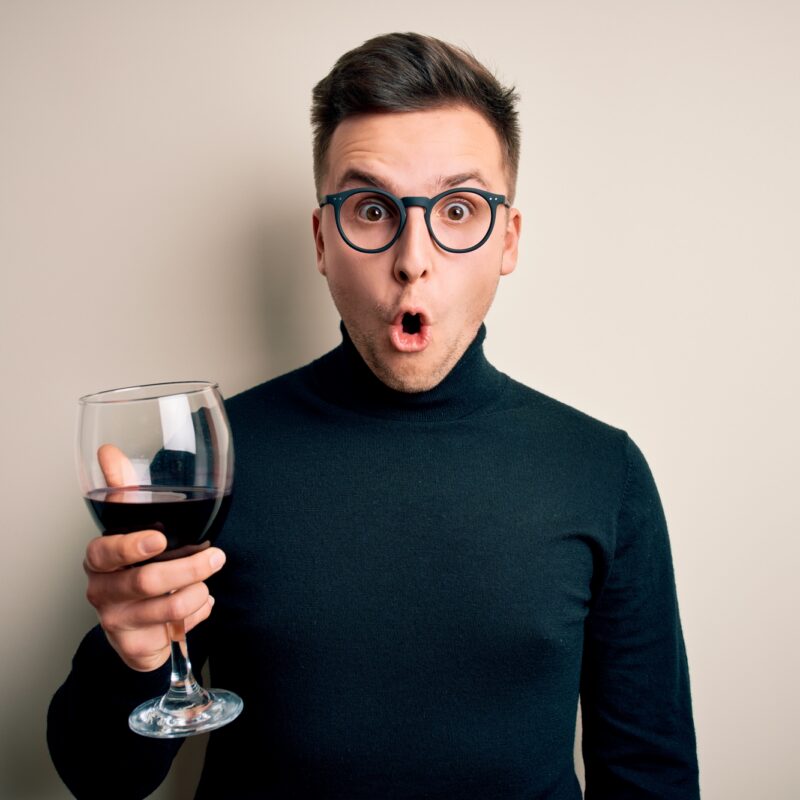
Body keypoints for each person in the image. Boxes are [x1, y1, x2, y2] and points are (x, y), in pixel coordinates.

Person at [48, 32, 699, 799]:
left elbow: (651, 778)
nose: (412, 256)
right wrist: (130, 657)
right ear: (323, 239)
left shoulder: (603, 471)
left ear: (508, 241)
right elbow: (99, 778)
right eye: (370, 208)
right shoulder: (210, 461)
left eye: (458, 209)